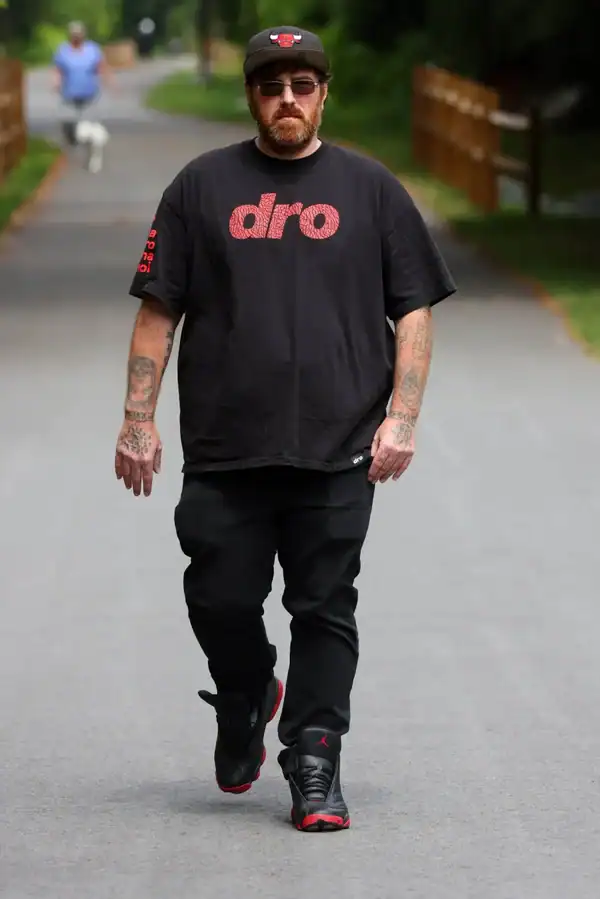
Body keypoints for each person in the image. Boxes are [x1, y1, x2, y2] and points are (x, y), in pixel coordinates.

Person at [115, 26, 456, 832]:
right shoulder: (201, 187)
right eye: (272, 87)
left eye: (303, 85)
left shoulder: (371, 190)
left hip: (340, 444)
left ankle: (314, 756)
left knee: (325, 602)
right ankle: (245, 693)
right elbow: (159, 310)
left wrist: (403, 416)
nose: (288, 100)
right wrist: (137, 419)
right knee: (218, 596)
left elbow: (413, 308)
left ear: (324, 94)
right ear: (252, 97)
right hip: (225, 446)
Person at [52, 21, 112, 170]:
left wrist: (108, 81)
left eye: (79, 34)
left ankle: (94, 157)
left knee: (86, 129)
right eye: (74, 34)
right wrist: (56, 82)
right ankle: (74, 144)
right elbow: (58, 70)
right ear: (70, 35)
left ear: (83, 35)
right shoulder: (63, 51)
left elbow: (101, 67)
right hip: (69, 96)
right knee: (68, 127)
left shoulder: (92, 50)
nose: (76, 37)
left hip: (89, 96)